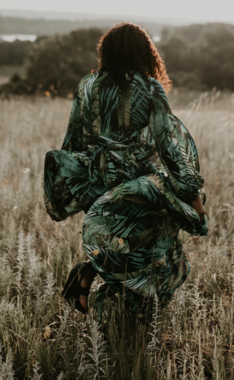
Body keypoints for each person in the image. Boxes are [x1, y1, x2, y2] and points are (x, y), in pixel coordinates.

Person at [44, 23, 207, 318]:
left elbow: (74, 139)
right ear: (145, 53)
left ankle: (93, 276)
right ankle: (133, 314)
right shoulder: (149, 87)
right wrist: (192, 194)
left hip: (95, 176)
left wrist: (75, 181)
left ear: (105, 52)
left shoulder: (87, 85)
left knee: (115, 240)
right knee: (151, 245)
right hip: (134, 180)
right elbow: (169, 144)